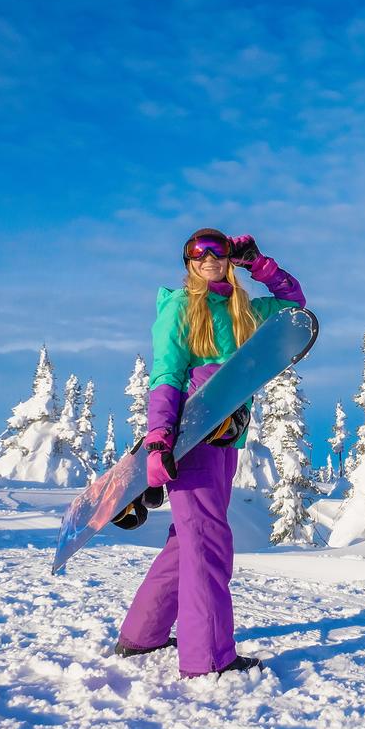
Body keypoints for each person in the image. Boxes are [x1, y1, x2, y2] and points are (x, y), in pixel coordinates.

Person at [113, 227, 305, 677]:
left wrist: (259, 264)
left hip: (226, 440)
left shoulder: (245, 312)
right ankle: (208, 658)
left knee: (187, 541)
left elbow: (295, 309)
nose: (207, 260)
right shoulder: (181, 307)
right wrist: (159, 437)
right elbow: (166, 375)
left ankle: (143, 635)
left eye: (217, 253)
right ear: (188, 265)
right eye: (196, 255)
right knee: (208, 544)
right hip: (189, 440)